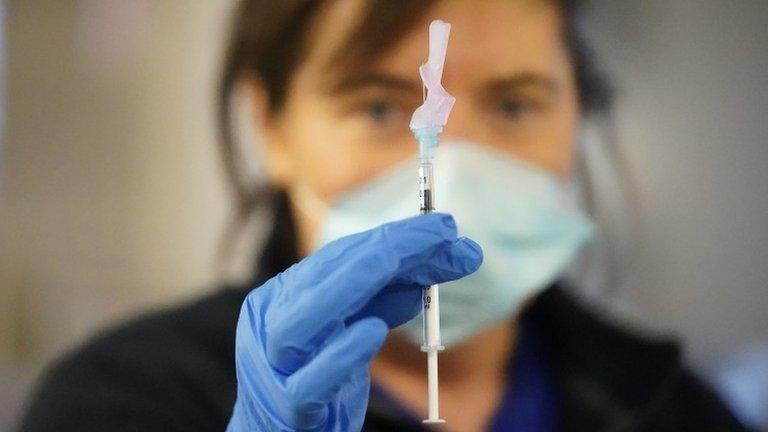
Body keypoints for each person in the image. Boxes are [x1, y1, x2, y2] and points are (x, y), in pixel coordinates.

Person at [19, 0, 747, 431]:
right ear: (270, 126)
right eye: (376, 106)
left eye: (516, 104)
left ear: (576, 119)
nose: (452, 165)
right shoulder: (126, 400)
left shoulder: (673, 410)